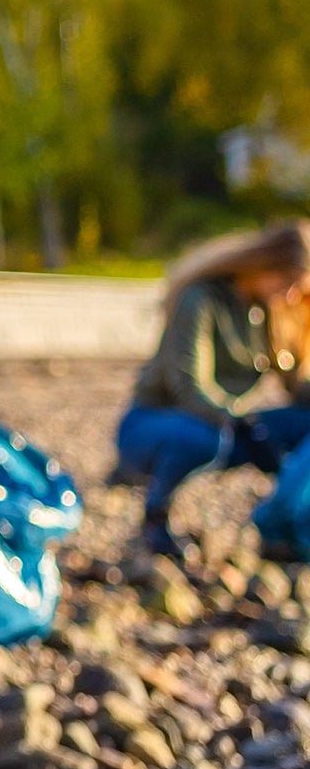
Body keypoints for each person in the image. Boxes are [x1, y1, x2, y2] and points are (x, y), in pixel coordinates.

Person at [116, 222, 310, 563]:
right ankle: (156, 516)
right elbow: (191, 387)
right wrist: (246, 426)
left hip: (229, 423)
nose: (291, 295)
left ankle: (287, 526)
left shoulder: (270, 311)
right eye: (287, 284)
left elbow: (295, 385)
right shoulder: (202, 298)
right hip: (161, 421)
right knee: (202, 437)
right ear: (265, 264)